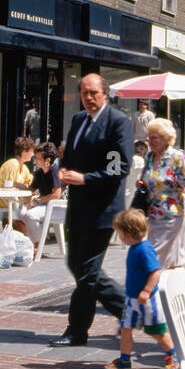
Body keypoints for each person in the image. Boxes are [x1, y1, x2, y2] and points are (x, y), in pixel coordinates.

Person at [53, 74, 132, 347]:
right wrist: (64, 170)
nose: (88, 98)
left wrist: (85, 178)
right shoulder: (78, 120)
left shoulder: (117, 122)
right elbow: (72, 156)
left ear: (105, 94)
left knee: (86, 271)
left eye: (93, 93)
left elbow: (119, 167)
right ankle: (130, 311)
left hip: (103, 209)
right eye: (84, 93)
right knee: (77, 266)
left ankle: (78, 330)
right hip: (77, 207)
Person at [104, 209, 177, 369]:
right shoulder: (135, 246)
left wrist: (147, 290)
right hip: (132, 299)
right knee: (125, 329)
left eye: (120, 234)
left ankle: (173, 353)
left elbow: (156, 271)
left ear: (129, 233)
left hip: (147, 301)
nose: (121, 238)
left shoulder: (144, 249)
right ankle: (124, 359)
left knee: (156, 332)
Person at [141, 118, 185, 268]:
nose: (149, 140)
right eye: (148, 137)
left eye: (154, 138)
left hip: (173, 216)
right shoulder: (149, 157)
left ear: (165, 139)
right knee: (173, 263)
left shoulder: (176, 157)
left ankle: (148, 290)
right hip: (153, 216)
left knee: (155, 260)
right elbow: (146, 180)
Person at [20, 141, 62, 250]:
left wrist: (38, 201)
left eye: (38, 158)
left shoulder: (54, 171)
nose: (35, 160)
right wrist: (16, 185)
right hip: (46, 206)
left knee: (30, 215)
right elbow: (31, 190)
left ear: (48, 160)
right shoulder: (39, 172)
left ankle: (38, 244)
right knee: (22, 214)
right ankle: (34, 243)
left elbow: (56, 195)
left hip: (59, 207)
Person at [0, 136, 36, 235]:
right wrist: (21, 186)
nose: (33, 154)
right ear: (24, 151)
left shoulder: (24, 167)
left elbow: (30, 184)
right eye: (31, 151)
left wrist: (19, 185)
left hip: (17, 199)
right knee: (29, 212)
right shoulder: (13, 164)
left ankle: (28, 236)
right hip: (5, 199)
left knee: (34, 208)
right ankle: (26, 236)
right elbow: (8, 186)